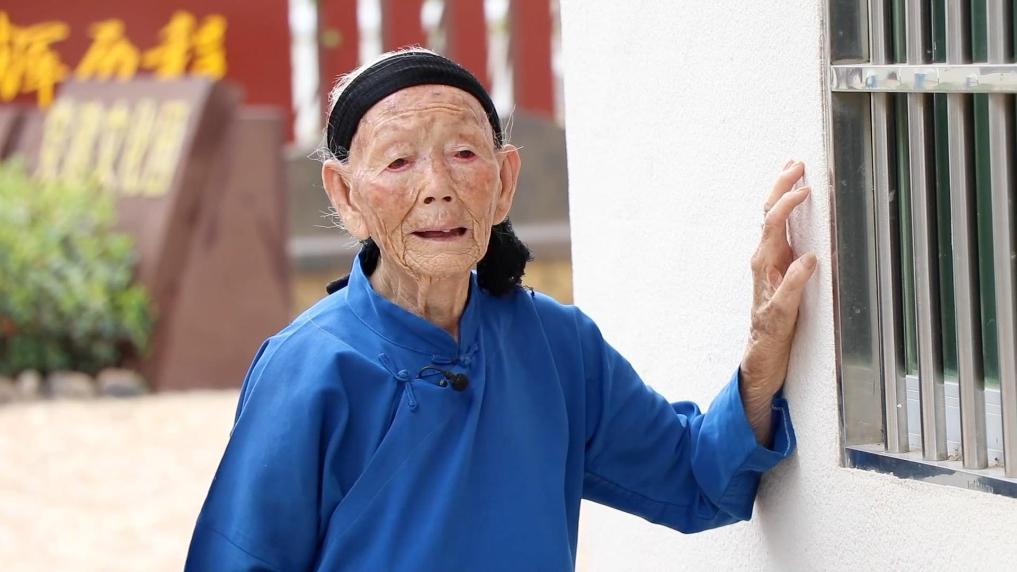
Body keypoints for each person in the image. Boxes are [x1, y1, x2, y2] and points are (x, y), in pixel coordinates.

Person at [185, 48, 817, 571]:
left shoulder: (556, 345)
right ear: (347, 196)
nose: (437, 186)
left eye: (463, 154)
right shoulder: (307, 369)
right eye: (399, 161)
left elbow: (696, 478)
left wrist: (765, 344)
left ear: (504, 180)